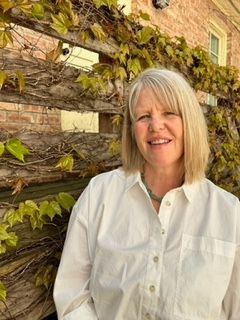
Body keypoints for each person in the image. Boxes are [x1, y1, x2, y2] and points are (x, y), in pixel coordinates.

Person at [53, 68, 240, 320]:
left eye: (169, 113)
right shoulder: (99, 195)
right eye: (143, 116)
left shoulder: (230, 214)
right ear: (132, 129)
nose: (155, 126)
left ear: (190, 122)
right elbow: (72, 296)